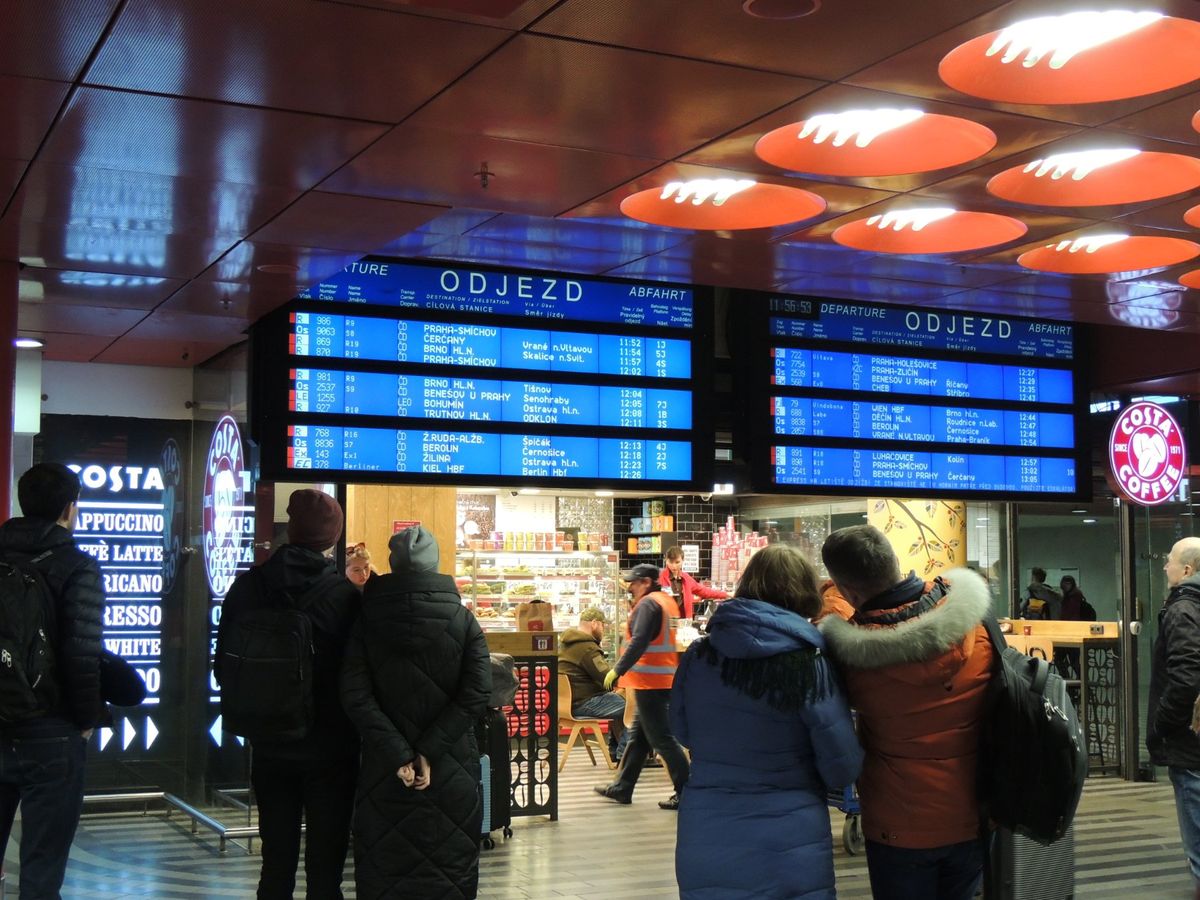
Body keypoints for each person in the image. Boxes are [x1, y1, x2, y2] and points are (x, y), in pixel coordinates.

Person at [671, 544, 862, 898]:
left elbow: (682, 730)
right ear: (805, 592)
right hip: (790, 833)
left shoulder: (700, 655)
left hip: (708, 824)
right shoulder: (809, 664)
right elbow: (841, 766)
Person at [819, 525, 994, 900]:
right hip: (972, 811)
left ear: (848, 591)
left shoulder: (855, 662)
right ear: (896, 562)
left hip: (898, 825)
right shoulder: (977, 625)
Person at [215, 489, 361, 900]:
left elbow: (222, 666)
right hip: (330, 748)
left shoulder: (247, 587)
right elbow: (357, 677)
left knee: (275, 862)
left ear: (291, 530)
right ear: (332, 538)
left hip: (269, 743)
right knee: (326, 867)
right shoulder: (345, 597)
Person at [341, 525, 491, 899]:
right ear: (435, 564)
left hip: (385, 770)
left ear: (393, 565)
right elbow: (476, 693)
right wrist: (429, 751)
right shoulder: (464, 621)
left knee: (384, 872)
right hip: (451, 766)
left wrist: (400, 754)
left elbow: (356, 695)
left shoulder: (366, 620)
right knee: (450, 873)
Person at [0, 463, 105, 898]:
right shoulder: (76, 565)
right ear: (68, 508)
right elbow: (81, 653)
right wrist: (86, 719)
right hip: (51, 730)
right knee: (42, 869)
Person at [594, 563, 690, 810]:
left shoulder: (648, 604)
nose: (630, 588)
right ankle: (622, 787)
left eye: (633, 583)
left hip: (650, 681)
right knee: (639, 737)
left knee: (662, 739)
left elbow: (639, 641)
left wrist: (617, 669)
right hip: (663, 678)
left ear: (646, 582)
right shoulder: (666, 601)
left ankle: (687, 792)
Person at [1148, 536, 1200, 895]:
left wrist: (1162, 724)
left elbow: (1186, 677)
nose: (1165, 566)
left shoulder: (1183, 610)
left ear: (1187, 569)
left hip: (1190, 744)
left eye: (1170, 560)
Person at [558, 607, 627, 761]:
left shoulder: (566, 644)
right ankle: (625, 754)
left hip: (567, 704)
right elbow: (607, 678)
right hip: (585, 702)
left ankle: (616, 752)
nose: (603, 630)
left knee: (618, 702)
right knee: (632, 708)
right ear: (595, 623)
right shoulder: (588, 648)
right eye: (603, 625)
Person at [660, 545, 728, 619]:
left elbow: (705, 591)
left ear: (683, 560)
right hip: (665, 620)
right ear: (666, 560)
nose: (674, 566)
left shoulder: (686, 578)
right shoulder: (659, 577)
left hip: (684, 621)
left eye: (677, 562)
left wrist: (726, 594)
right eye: (671, 562)